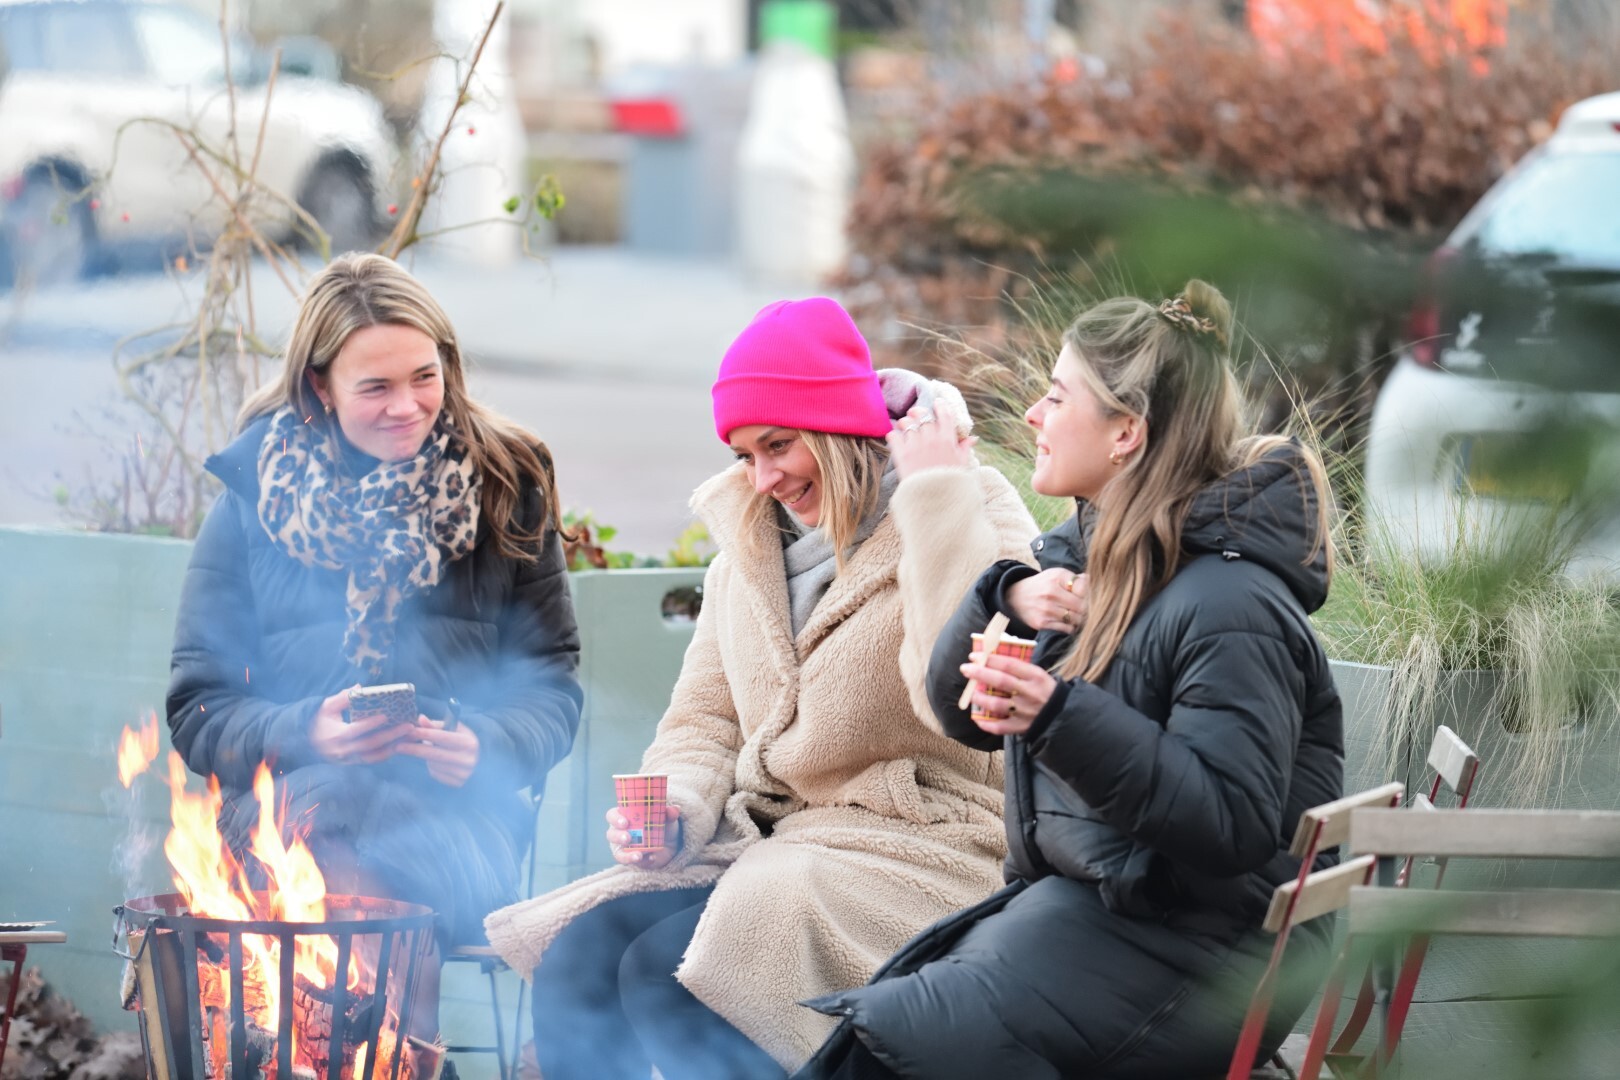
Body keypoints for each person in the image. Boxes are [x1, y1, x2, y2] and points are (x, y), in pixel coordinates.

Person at [796, 281, 1343, 1079]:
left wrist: (1058, 714)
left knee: (895, 1048)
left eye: (1056, 396)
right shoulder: (1092, 559)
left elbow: (1231, 820)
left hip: (1200, 961)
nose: (1032, 416)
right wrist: (1004, 598)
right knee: (881, 1038)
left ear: (1126, 432)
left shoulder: (1232, 604)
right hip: (1099, 915)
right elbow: (962, 714)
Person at [483, 297, 1039, 1079]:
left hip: (927, 842)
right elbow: (704, 717)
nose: (762, 476)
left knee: (679, 975)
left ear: (838, 429)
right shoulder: (745, 551)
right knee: (584, 955)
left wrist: (934, 495)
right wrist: (674, 804)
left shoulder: (963, 504)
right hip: (777, 842)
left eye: (778, 445)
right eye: (744, 453)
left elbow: (970, 684)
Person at [166, 253, 583, 1037]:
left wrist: (483, 744)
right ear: (320, 388)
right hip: (288, 812)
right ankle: (399, 1056)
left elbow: (552, 685)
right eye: (376, 387)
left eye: (425, 377)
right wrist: (303, 731)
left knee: (377, 891)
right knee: (337, 870)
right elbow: (198, 706)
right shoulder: (255, 498)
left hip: (458, 821)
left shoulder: (505, 484)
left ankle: (380, 1056)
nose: (409, 406)